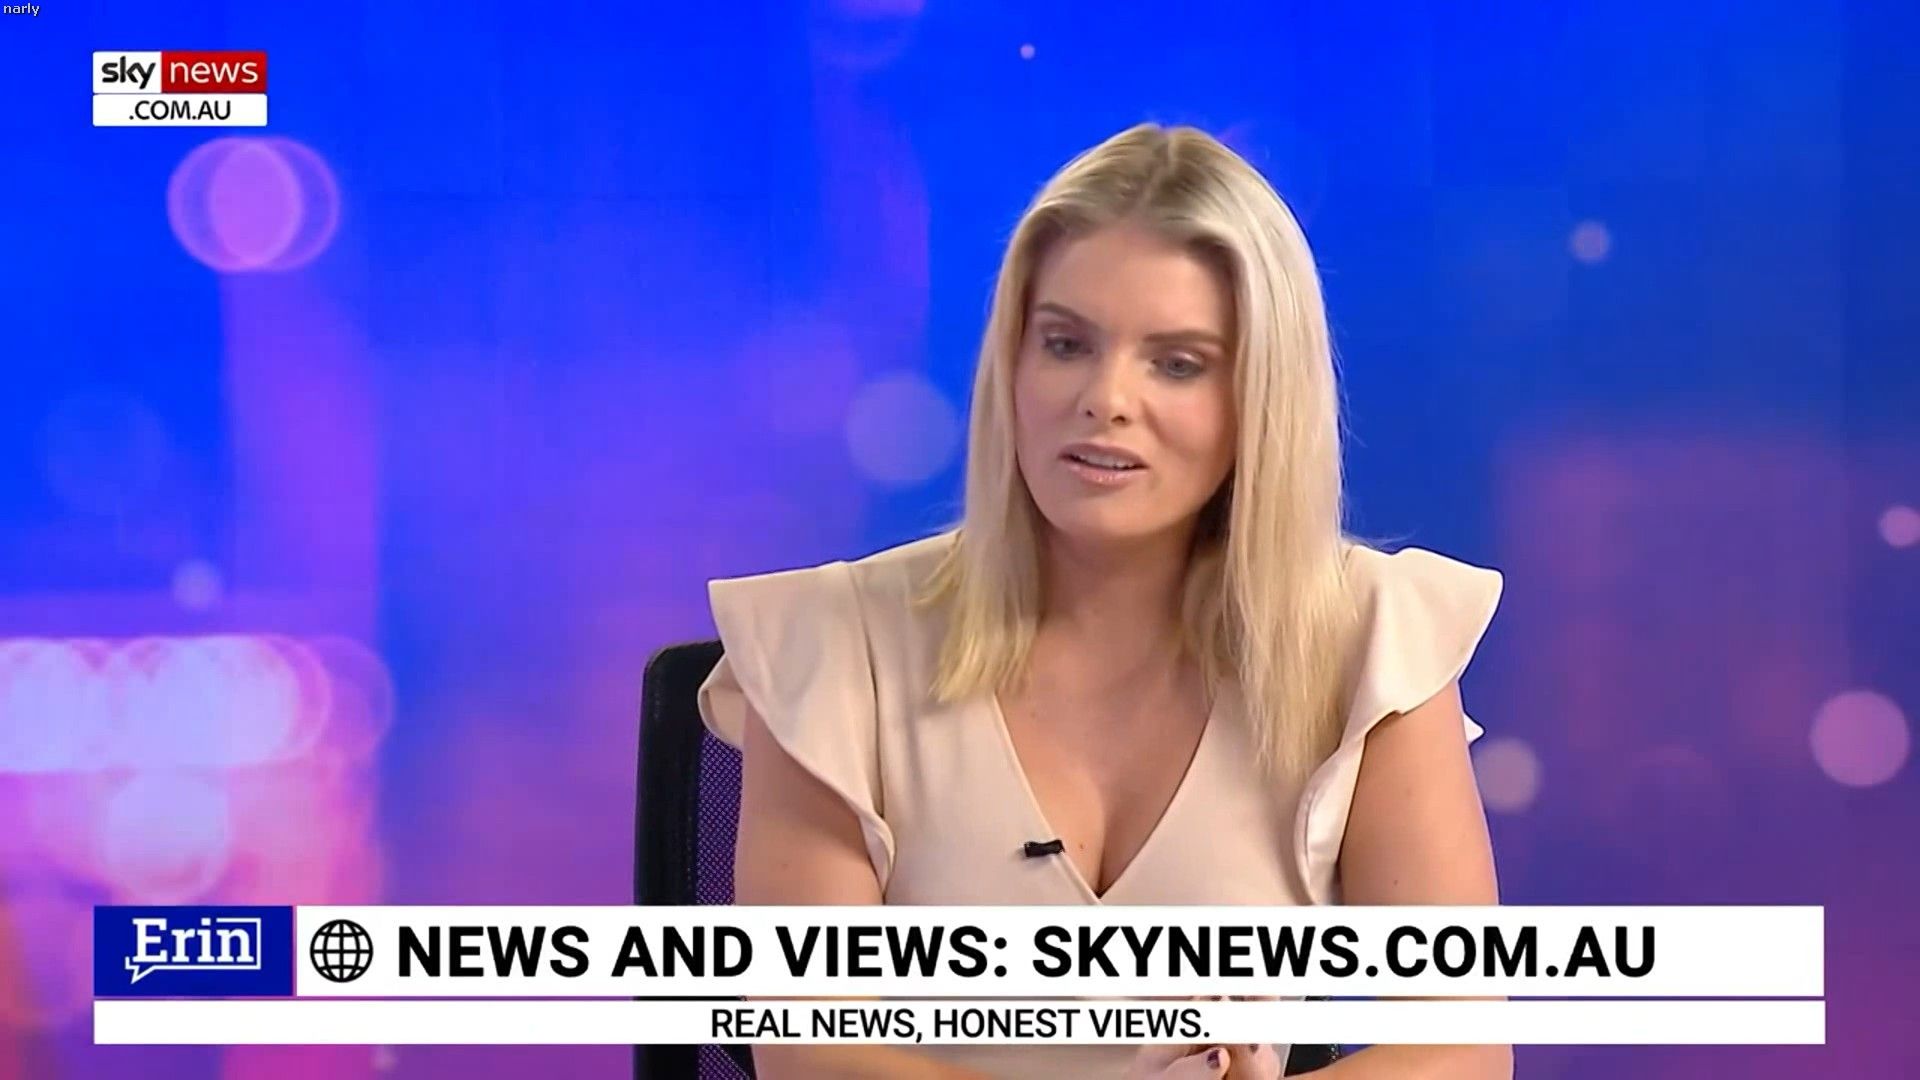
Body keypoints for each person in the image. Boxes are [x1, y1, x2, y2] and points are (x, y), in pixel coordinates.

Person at [697, 122, 1512, 1079]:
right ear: (1011, 364)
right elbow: (813, 1050)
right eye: (1066, 344)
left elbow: (1458, 1048)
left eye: (1178, 362)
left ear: (1260, 396)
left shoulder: (1372, 643)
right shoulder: (833, 646)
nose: (1105, 398)